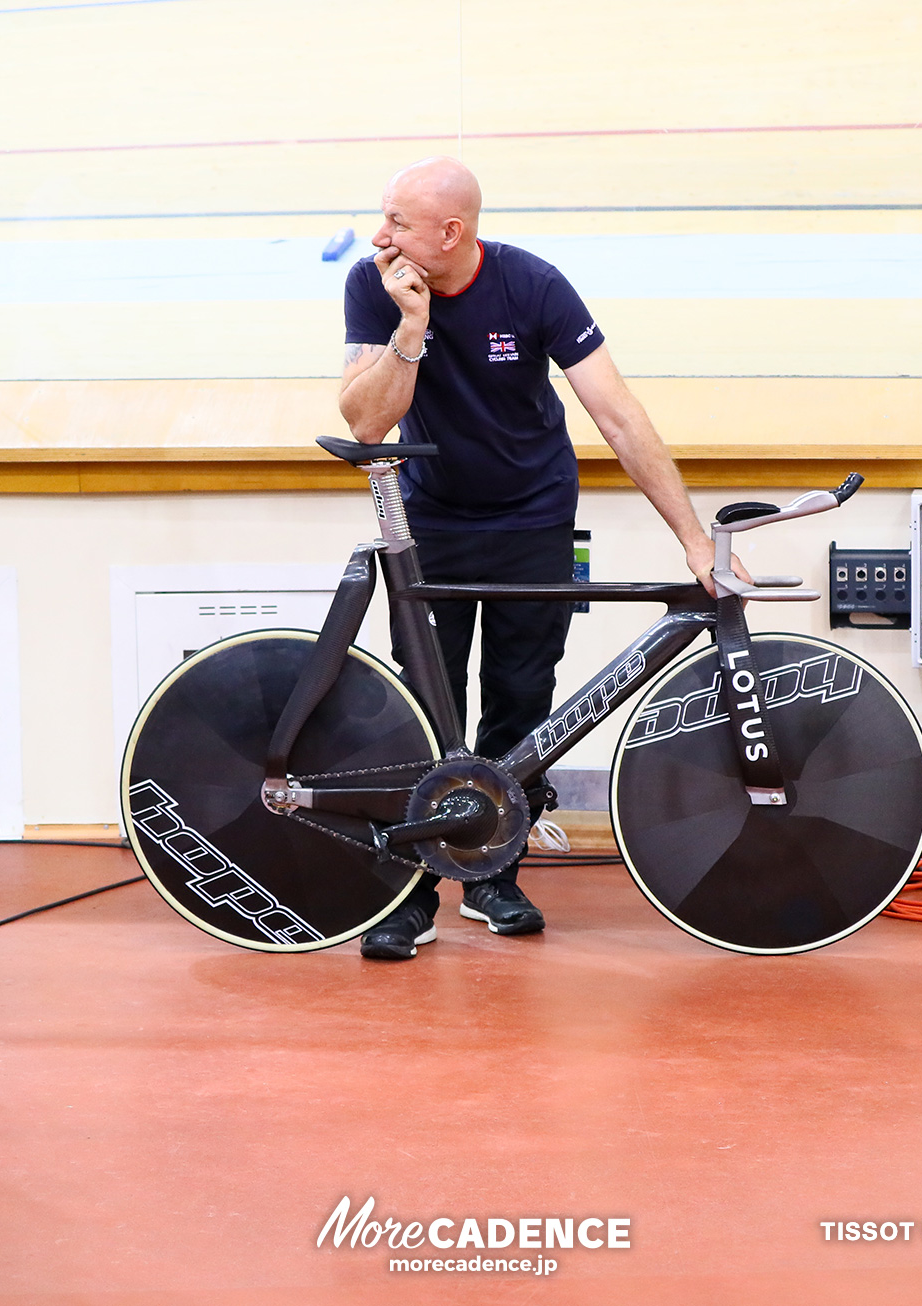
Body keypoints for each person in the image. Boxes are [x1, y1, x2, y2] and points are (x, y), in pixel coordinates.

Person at [339, 157, 738, 960]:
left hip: (535, 515)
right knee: (424, 702)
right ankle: (412, 891)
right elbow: (364, 423)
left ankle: (493, 872)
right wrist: (410, 332)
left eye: (399, 223)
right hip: (432, 523)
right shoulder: (371, 282)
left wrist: (693, 537)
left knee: (519, 699)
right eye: (383, 220)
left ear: (451, 234)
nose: (380, 236)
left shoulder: (533, 286)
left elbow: (618, 415)